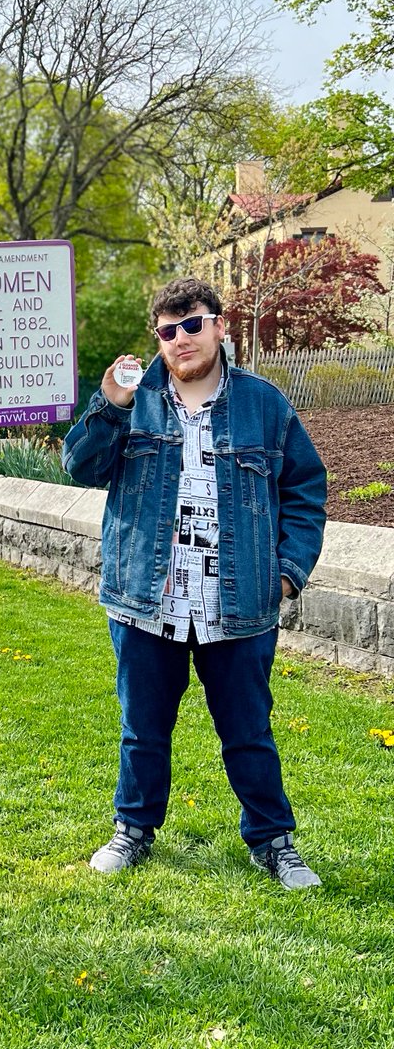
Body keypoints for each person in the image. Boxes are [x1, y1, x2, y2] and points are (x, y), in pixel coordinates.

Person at [62, 277, 327, 890]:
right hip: (146, 599)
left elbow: (305, 491)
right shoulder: (135, 401)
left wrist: (287, 574)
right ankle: (133, 830)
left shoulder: (265, 405)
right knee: (142, 729)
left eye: (193, 324)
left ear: (219, 326)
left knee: (248, 731)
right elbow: (81, 467)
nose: (181, 338)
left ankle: (274, 842)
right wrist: (110, 405)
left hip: (237, 603)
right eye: (167, 329)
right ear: (157, 339)